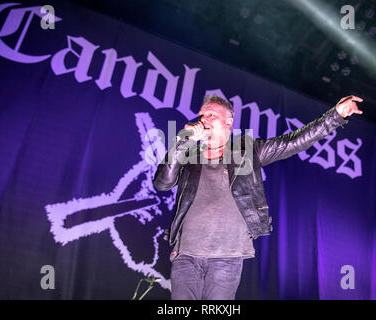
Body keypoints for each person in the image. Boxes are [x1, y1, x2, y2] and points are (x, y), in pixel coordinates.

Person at [153, 94, 363, 300]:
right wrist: (182, 143)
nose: (203, 119)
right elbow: (162, 183)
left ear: (228, 121)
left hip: (227, 257)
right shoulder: (189, 157)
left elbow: (294, 141)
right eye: (202, 115)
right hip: (186, 254)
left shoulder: (248, 151)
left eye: (210, 115)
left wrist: (335, 116)